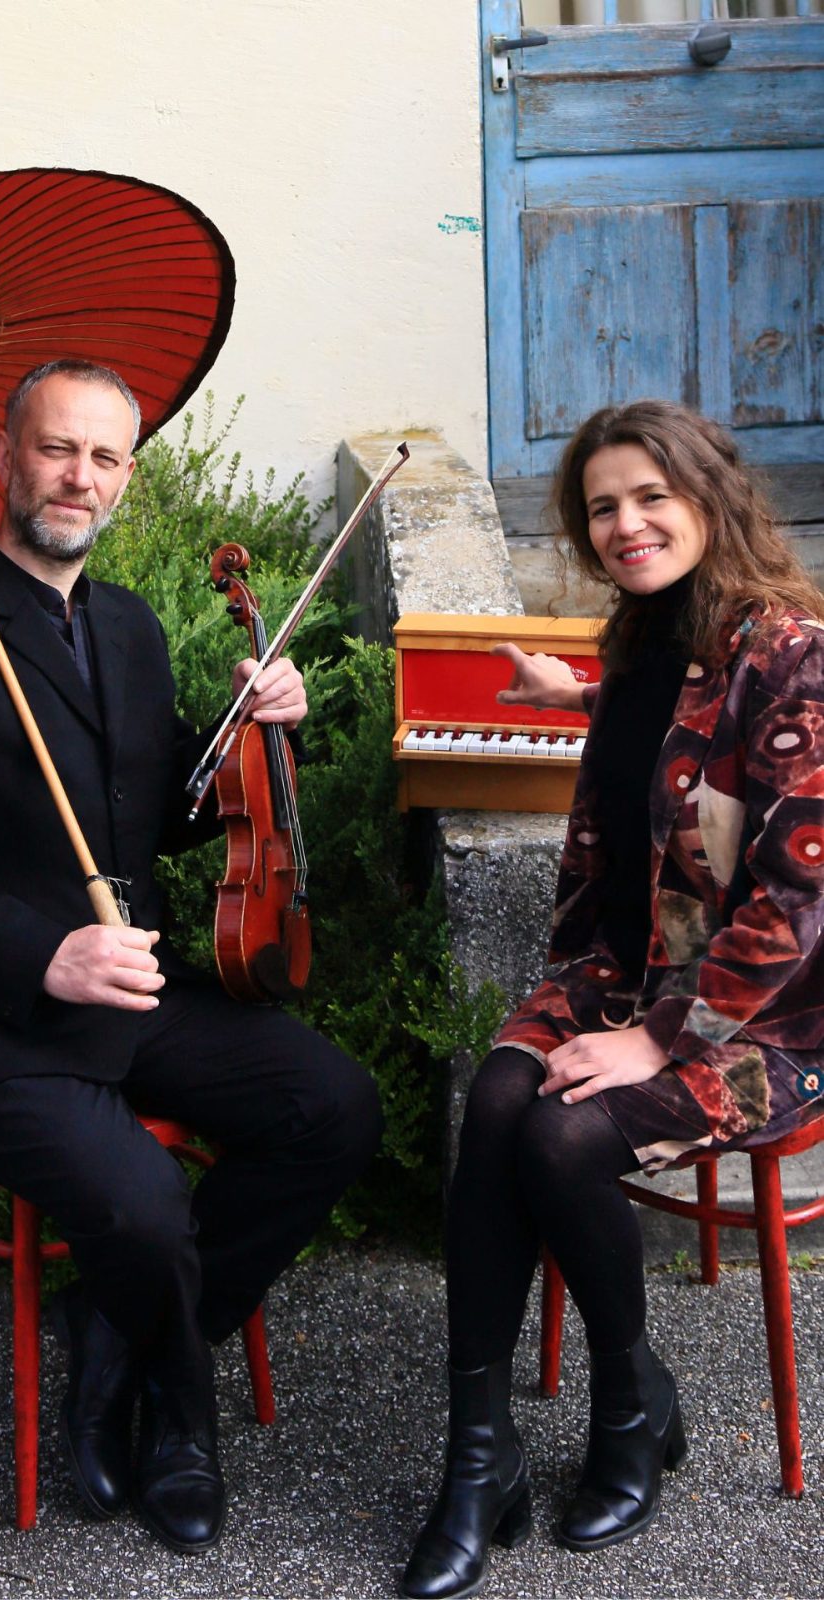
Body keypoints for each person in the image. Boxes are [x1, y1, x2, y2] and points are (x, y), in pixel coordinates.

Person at [0, 359, 382, 1553]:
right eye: (55, 448)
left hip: (131, 989)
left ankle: (114, 1332)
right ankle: (182, 1414)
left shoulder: (125, 625)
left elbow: (166, 802)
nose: (79, 476)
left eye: (105, 455)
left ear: (128, 475)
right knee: (143, 1204)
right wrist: (44, 954)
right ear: (2, 458)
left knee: (331, 1106)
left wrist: (251, 732)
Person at [401, 399, 824, 1599]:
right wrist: (575, 697)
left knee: (562, 1135)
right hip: (615, 975)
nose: (625, 523)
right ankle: (478, 1459)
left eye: (650, 496)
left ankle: (632, 1404)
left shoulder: (795, 655)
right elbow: (681, 745)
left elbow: (797, 899)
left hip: (766, 1024)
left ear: (709, 495)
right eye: (602, 507)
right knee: (496, 1102)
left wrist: (658, 1039)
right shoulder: (644, 640)